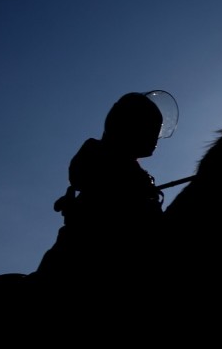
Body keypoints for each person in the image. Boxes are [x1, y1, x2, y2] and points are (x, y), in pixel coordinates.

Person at [35, 90, 177, 287]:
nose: (156, 137)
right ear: (131, 126)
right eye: (152, 128)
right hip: (83, 259)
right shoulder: (97, 154)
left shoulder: (137, 173)